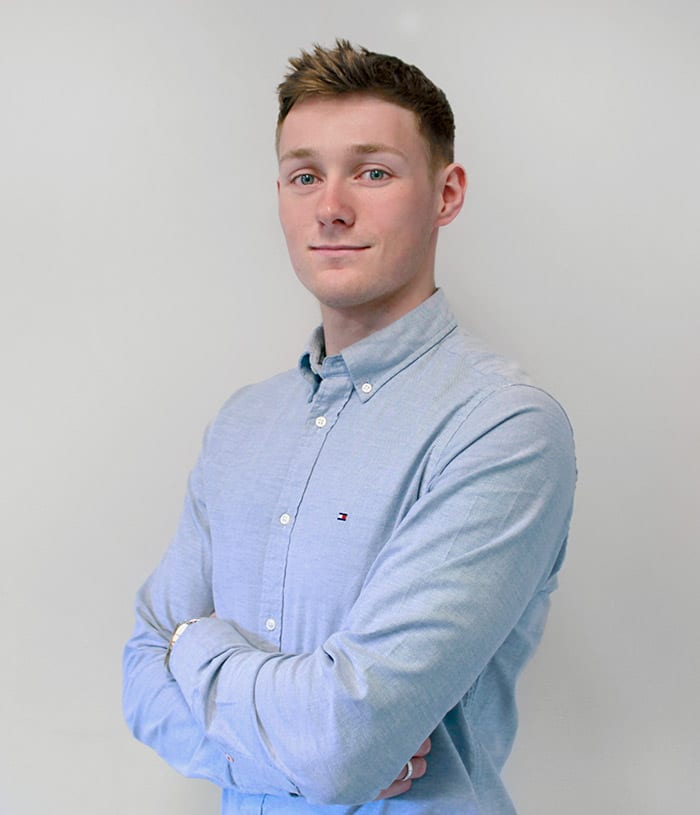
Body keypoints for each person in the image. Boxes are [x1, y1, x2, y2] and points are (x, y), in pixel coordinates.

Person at [123, 39, 576, 814]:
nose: (331, 206)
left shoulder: (501, 426)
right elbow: (139, 682)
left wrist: (194, 649)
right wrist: (295, 751)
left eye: (372, 171)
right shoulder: (242, 424)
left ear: (447, 192)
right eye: (305, 175)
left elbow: (344, 741)